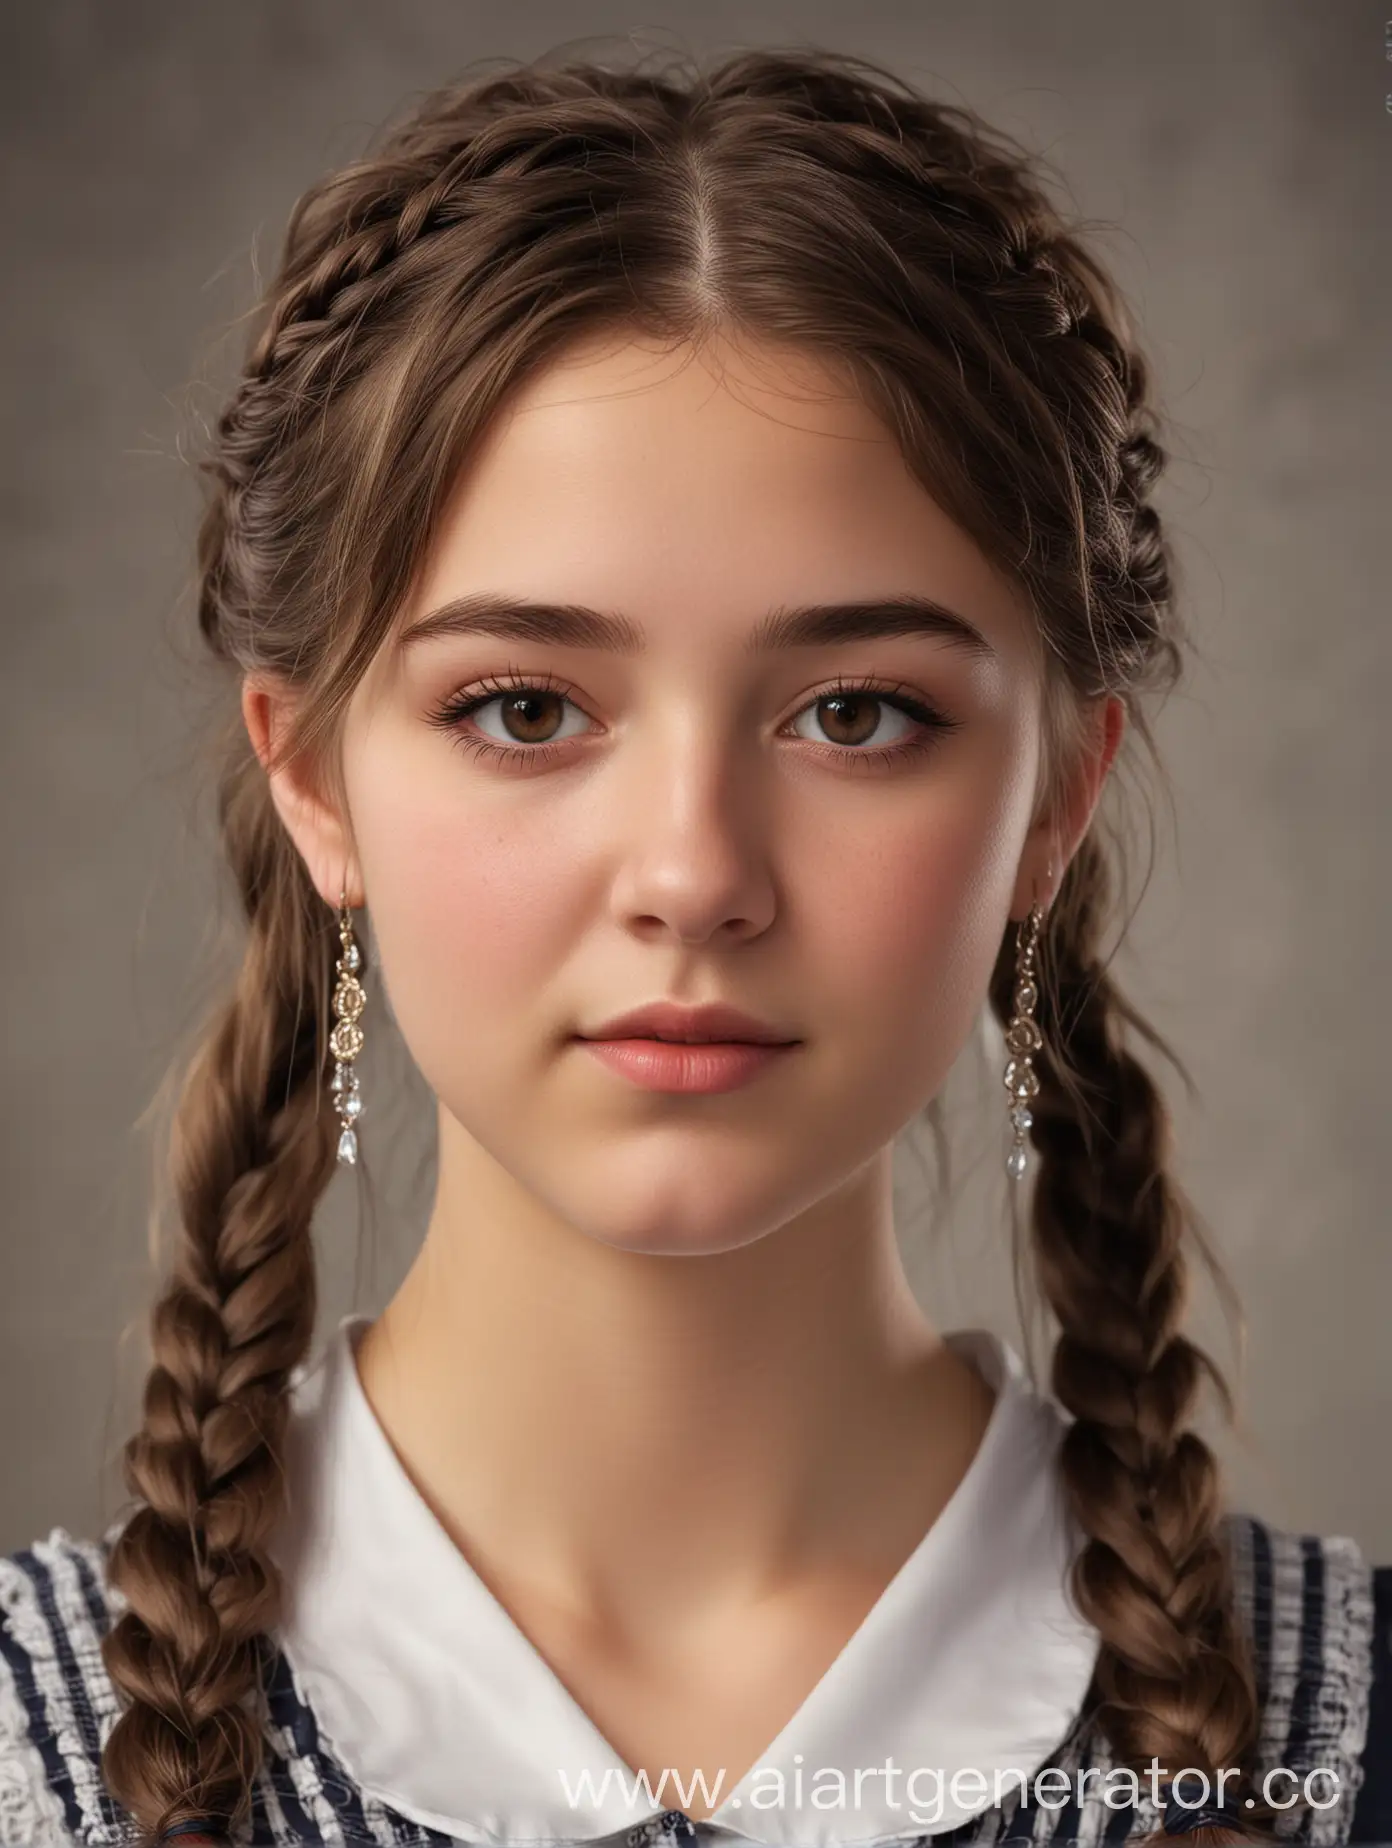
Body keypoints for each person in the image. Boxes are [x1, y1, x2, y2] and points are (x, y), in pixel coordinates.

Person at [0, 42, 1386, 1848]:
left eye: (861, 716)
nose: (693, 872)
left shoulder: (1338, 1742)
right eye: (520, 710)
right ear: (313, 781)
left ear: (1056, 800)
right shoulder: (31, 1756)